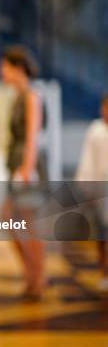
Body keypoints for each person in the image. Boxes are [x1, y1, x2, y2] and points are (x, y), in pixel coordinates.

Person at [0, 45, 48, 300]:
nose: (2, 73)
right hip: (16, 166)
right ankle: (32, 274)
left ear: (17, 68)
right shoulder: (19, 95)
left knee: (28, 223)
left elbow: (33, 136)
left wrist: (26, 170)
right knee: (9, 218)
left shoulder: (32, 95)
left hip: (26, 169)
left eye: (5, 67)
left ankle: (38, 278)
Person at [76, 93, 108, 291]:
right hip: (100, 190)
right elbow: (87, 161)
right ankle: (104, 271)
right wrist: (86, 187)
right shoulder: (96, 130)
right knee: (102, 235)